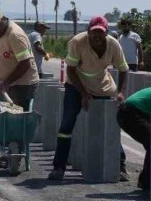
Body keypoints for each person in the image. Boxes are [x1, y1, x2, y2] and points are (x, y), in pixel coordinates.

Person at [48, 16, 130, 181]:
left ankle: (119, 165)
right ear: (88, 32)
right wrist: (84, 94)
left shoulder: (113, 45)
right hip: (76, 85)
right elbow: (70, 70)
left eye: (100, 32)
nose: (97, 36)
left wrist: (121, 92)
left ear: (106, 32)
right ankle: (59, 167)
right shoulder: (77, 42)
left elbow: (123, 69)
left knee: (110, 124)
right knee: (67, 123)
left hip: (101, 85)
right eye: (94, 33)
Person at [0, 8, 39, 111]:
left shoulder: (15, 36)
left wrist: (7, 82)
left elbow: (25, 63)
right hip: (8, 83)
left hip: (23, 84)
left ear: (4, 19)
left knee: (20, 116)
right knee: (12, 113)